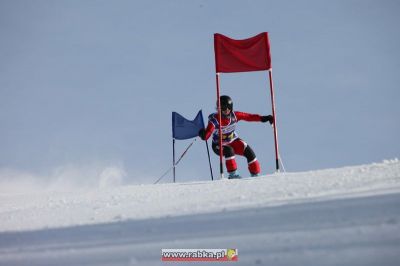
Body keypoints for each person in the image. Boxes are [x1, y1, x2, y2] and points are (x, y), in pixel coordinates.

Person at [198, 95, 273, 179]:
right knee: (229, 150)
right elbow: (207, 134)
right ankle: (233, 175)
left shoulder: (235, 115)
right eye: (224, 108)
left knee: (249, 152)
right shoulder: (215, 120)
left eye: (229, 107)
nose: (227, 110)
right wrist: (203, 134)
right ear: (219, 108)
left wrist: (264, 118)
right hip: (218, 144)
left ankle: (255, 175)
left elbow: (249, 117)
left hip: (233, 140)